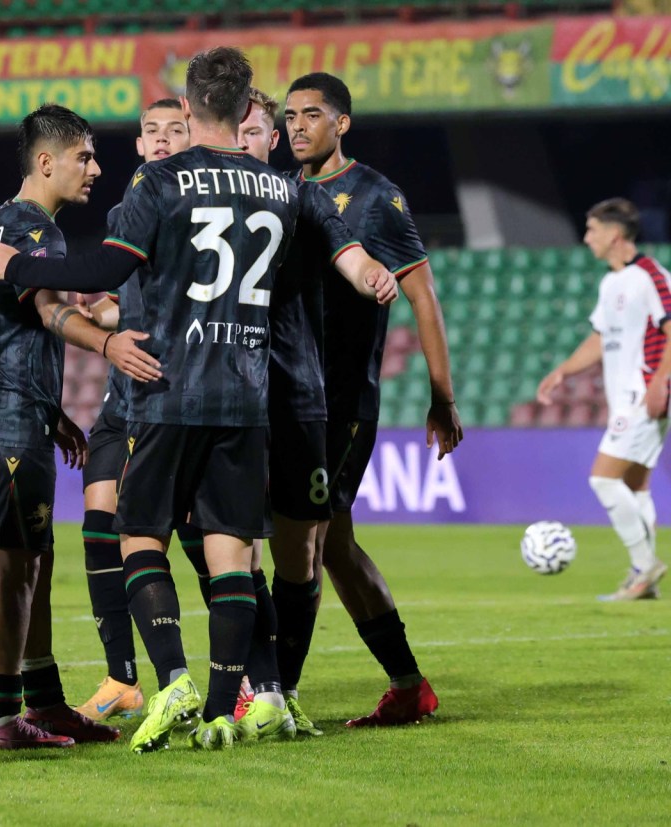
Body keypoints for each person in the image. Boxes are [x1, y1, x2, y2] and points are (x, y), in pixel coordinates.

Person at [0, 48, 394, 751]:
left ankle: (171, 682)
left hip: (169, 389)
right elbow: (353, 262)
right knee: (233, 554)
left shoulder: (159, 181)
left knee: (139, 537)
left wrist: (19, 263)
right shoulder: (286, 189)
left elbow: (105, 267)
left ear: (190, 110)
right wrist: (373, 271)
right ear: (245, 109)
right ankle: (229, 709)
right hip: (247, 396)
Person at [0, 104, 160, 751]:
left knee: (34, 563)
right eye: (84, 156)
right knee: (15, 573)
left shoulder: (3, 222)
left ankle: (42, 702)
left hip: (12, 416)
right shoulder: (35, 231)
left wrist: (55, 411)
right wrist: (107, 345)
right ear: (46, 162)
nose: (96, 168)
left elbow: (9, 330)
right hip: (4, 425)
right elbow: (46, 310)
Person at [282, 72, 462, 727]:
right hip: (290, 396)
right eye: (289, 117)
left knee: (307, 538)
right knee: (331, 544)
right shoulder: (285, 195)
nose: (296, 126)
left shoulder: (376, 197)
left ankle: (271, 690)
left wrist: (441, 397)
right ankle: (408, 684)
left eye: (310, 115)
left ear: (341, 123)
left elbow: (423, 295)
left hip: (343, 401)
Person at [236, 87, 398, 737]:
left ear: (272, 142)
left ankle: (280, 687)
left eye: (255, 133)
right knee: (235, 548)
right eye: (234, 130)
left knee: (300, 555)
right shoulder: (190, 201)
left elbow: (346, 250)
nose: (244, 142)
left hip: (299, 398)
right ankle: (250, 686)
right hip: (228, 401)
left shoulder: (298, 197)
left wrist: (369, 275)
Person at [74, 98, 212, 723]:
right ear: (136, 145)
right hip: (123, 399)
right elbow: (122, 304)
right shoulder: (126, 210)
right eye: (150, 131)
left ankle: (237, 675)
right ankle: (122, 678)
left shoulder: (207, 213)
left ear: (196, 137)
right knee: (100, 527)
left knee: (196, 539)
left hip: (178, 397)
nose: (161, 140)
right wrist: (93, 320)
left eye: (174, 130)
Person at [538, 198, 671, 601]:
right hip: (627, 398)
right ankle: (642, 578)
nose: (586, 238)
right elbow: (600, 338)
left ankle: (645, 566)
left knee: (603, 478)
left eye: (592, 229)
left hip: (643, 395)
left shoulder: (651, 275)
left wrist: (660, 383)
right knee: (634, 486)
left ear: (614, 235)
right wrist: (563, 369)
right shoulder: (611, 282)